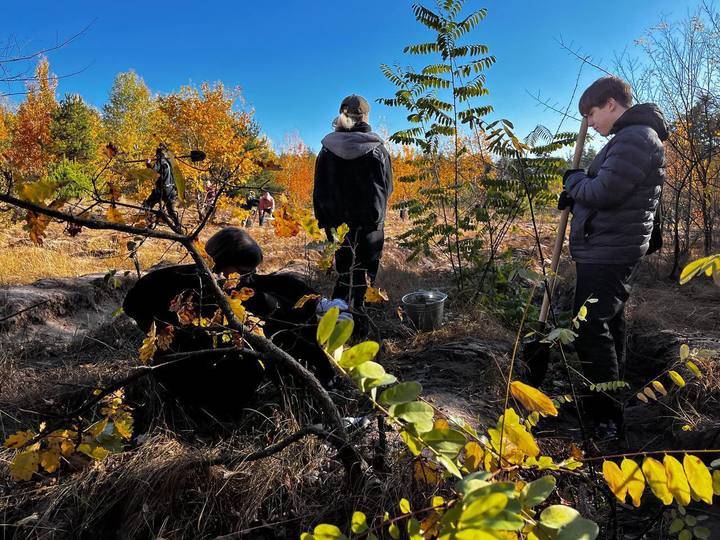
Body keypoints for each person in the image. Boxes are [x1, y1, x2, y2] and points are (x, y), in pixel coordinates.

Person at [122, 227, 334, 415]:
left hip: (211, 361)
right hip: (191, 370)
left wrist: (316, 300)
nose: (247, 277)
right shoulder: (178, 283)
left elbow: (275, 284)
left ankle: (323, 381)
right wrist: (170, 330)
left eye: (252, 271)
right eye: (243, 271)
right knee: (250, 365)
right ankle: (213, 416)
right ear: (220, 263)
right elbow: (134, 305)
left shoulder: (238, 283)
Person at [558, 76, 668, 440]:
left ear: (610, 103)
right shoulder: (630, 138)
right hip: (609, 246)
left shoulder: (636, 138)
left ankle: (606, 417)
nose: (590, 123)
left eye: (591, 114)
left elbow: (604, 191)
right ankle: (607, 396)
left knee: (590, 328)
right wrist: (577, 196)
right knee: (609, 324)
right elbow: (608, 190)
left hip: (609, 252)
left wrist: (574, 182)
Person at [313, 94, 393, 311]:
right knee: (365, 277)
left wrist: (326, 221)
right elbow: (388, 188)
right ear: (365, 118)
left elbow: (319, 191)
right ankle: (361, 325)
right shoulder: (377, 149)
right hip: (370, 226)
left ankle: (336, 322)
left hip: (337, 228)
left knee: (343, 275)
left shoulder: (326, 150)